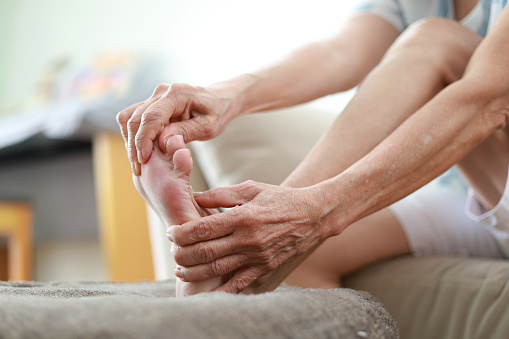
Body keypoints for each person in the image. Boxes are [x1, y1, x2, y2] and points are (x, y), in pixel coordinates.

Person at [118, 0, 509, 295]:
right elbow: (339, 53)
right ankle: (227, 275)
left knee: (438, 40)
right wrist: (220, 97)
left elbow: (487, 99)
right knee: (299, 267)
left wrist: (317, 210)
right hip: (468, 193)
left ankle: (226, 267)